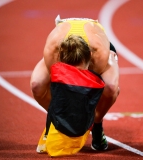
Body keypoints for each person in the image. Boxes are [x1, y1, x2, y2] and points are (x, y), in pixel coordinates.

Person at [30, 15, 120, 151]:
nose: (77, 75)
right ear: (61, 58)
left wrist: (87, 118)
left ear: (89, 56)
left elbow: (92, 91)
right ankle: (53, 121)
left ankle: (97, 125)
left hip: (98, 44)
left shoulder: (98, 54)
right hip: (63, 45)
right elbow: (57, 88)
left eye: (80, 70)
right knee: (37, 84)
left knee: (111, 87)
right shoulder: (53, 52)